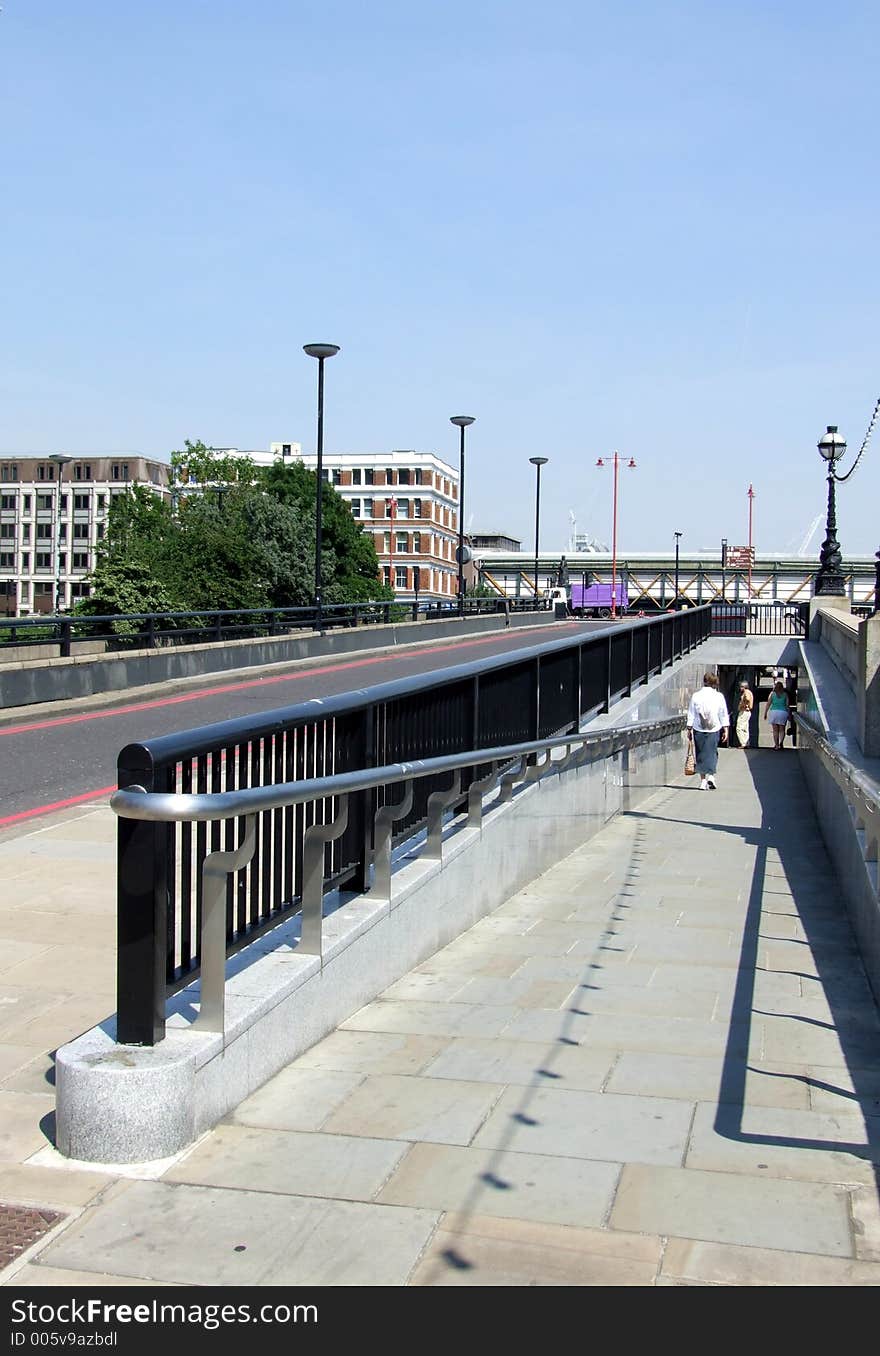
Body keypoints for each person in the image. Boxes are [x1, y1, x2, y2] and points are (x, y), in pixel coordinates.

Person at [686, 671, 730, 791]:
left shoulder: (696, 695)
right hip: (714, 727)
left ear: (704, 681)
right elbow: (723, 713)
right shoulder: (719, 696)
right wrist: (725, 728)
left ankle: (703, 781)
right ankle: (711, 776)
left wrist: (689, 727)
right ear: (715, 682)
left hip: (698, 727)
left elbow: (691, 712)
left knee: (700, 753)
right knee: (712, 752)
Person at [765, 679, 789, 750]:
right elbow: (787, 705)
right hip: (783, 712)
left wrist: (765, 713)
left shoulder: (772, 694)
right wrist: (789, 714)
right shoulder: (785, 694)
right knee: (782, 729)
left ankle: (776, 745)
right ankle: (781, 743)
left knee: (775, 730)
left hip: (774, 712)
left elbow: (768, 704)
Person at [735, 678, 754, 749]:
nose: (740, 688)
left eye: (741, 687)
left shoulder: (746, 692)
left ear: (744, 687)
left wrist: (745, 704)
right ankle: (746, 742)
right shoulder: (749, 692)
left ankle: (743, 743)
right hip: (747, 712)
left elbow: (747, 698)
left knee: (739, 728)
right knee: (745, 728)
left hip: (744, 711)